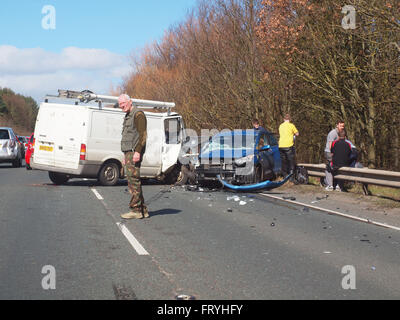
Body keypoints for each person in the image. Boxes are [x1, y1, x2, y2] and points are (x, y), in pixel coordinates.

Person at [119, 94, 149, 220]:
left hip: (134, 152)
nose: (121, 106)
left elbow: (143, 135)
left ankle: (136, 210)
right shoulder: (128, 116)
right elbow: (128, 136)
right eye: (120, 104)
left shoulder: (138, 115)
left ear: (130, 102)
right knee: (132, 181)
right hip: (129, 152)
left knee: (133, 182)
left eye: (123, 103)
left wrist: (137, 152)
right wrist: (125, 155)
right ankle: (143, 210)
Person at [323, 120, 345, 191]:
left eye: (343, 126)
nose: (342, 127)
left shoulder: (341, 133)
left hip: (336, 153)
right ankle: (330, 185)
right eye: (341, 126)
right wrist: (332, 153)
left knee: (337, 168)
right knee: (330, 168)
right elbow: (330, 144)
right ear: (337, 125)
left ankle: (337, 185)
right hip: (329, 152)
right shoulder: (333, 133)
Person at [278, 114, 299, 178]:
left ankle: (284, 175)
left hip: (281, 145)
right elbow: (297, 134)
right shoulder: (291, 125)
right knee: (290, 161)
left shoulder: (280, 126)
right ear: (289, 120)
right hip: (288, 145)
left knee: (283, 161)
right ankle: (291, 176)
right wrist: (293, 136)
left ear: (284, 119)